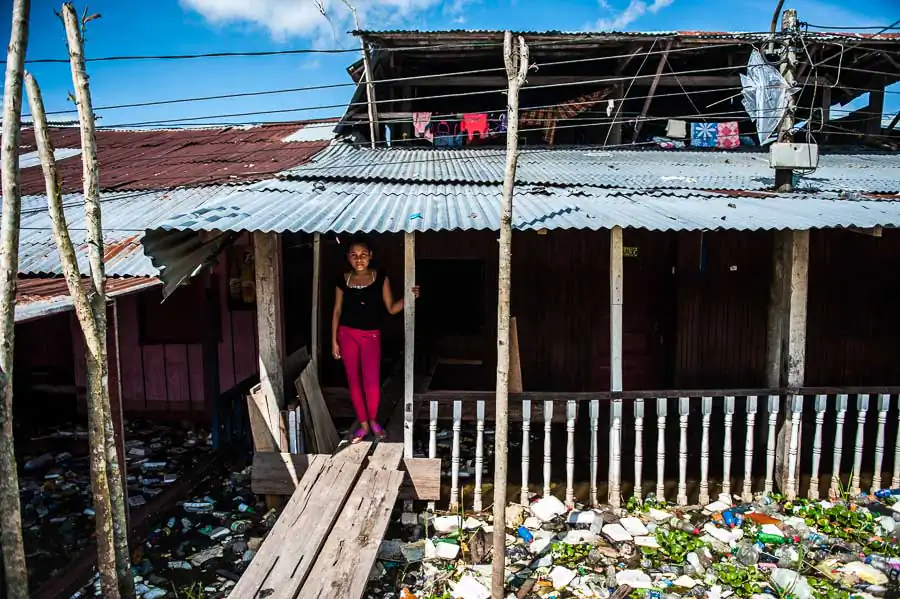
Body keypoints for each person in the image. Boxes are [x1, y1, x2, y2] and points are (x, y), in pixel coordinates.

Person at [332, 236, 419, 444]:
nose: (359, 259)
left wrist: (410, 297)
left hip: (371, 335)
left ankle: (373, 420)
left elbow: (391, 308)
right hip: (347, 334)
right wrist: (333, 341)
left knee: (371, 383)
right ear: (348, 258)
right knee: (354, 381)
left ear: (370, 256)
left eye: (363, 255)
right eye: (354, 255)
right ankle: (362, 425)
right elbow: (337, 311)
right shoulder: (342, 280)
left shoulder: (380, 278)